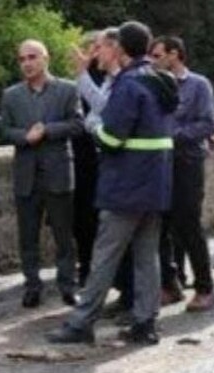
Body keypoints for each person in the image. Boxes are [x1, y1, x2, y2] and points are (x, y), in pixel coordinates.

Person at [47, 21, 177, 346]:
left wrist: (92, 124)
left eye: (102, 47)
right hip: (155, 185)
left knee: (104, 255)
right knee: (147, 257)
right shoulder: (161, 80)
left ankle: (81, 323)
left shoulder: (128, 85)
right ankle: (145, 323)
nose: (97, 53)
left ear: (118, 49)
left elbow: (111, 138)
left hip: (125, 187)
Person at [0, 39, 86, 308]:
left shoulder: (67, 89)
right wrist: (26, 136)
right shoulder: (11, 95)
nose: (27, 63)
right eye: (22, 59)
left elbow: (78, 124)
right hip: (26, 174)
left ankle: (67, 285)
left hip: (58, 171)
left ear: (45, 59)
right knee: (28, 235)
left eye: (32, 57)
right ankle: (32, 286)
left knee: (63, 234)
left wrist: (47, 130)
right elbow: (4, 131)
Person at [150, 35, 214, 312]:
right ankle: (170, 284)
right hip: (160, 164)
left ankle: (205, 287)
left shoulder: (198, 85)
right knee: (159, 226)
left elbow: (207, 124)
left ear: (174, 55)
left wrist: (173, 136)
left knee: (189, 225)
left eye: (157, 55)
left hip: (187, 163)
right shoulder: (152, 85)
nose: (153, 61)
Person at [71, 29, 120, 286]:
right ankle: (87, 267)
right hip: (84, 157)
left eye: (97, 47)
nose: (93, 53)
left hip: (109, 155)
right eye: (90, 48)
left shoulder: (116, 79)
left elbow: (103, 110)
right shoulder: (80, 81)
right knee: (84, 216)